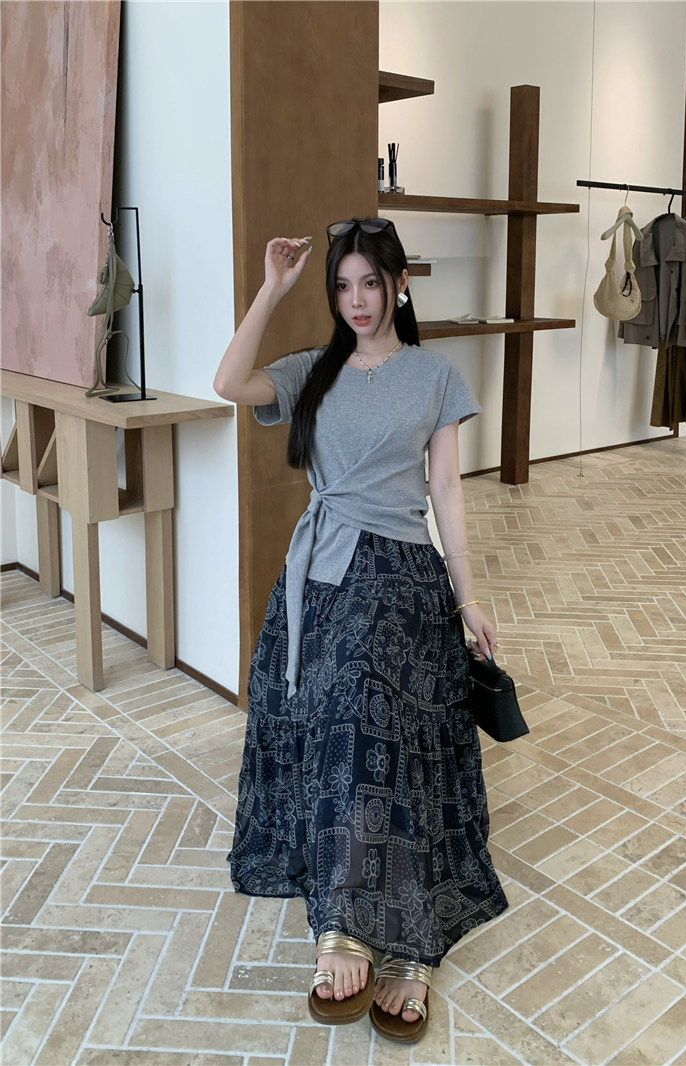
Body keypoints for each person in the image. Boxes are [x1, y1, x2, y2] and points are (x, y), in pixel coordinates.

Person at [214, 218, 508, 1044]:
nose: (357, 301)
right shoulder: (312, 370)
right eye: (342, 286)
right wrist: (272, 287)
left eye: (370, 284)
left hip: (404, 574)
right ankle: (344, 922)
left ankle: (399, 933)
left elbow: (446, 491)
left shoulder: (435, 376)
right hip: (321, 574)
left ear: (399, 285)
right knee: (347, 710)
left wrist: (469, 598)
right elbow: (228, 382)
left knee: (373, 712)